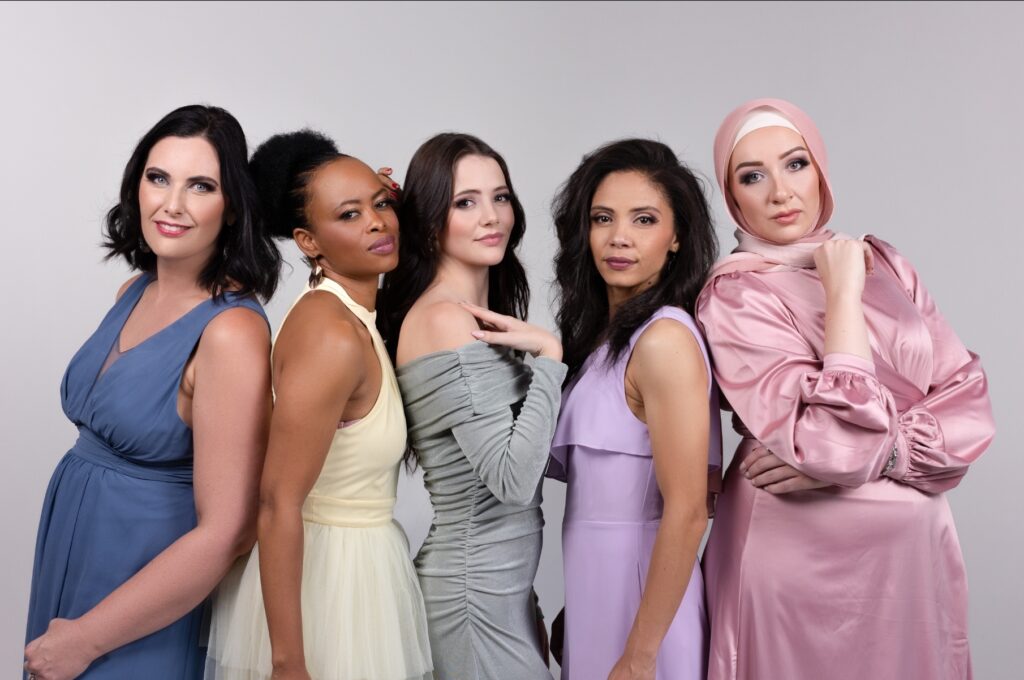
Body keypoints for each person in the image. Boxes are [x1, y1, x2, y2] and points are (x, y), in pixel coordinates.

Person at [696, 98, 995, 679]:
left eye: (796, 164)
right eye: (752, 177)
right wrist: (840, 295)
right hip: (793, 560)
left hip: (909, 563)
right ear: (732, 196)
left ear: (820, 169)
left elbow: (968, 403)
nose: (781, 192)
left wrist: (879, 453)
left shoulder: (884, 263)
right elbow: (832, 437)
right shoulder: (734, 296)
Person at [24, 104, 280, 679]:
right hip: (72, 559)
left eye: (201, 186)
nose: (172, 204)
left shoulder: (230, 332)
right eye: (158, 177)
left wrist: (88, 637)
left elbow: (229, 531)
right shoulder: (133, 291)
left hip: (140, 595)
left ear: (232, 207)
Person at [204, 130, 432, 680]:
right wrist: (289, 663)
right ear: (308, 241)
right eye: (349, 215)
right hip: (328, 587)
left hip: (360, 575)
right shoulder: (330, 333)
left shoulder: (355, 317)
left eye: (381, 204)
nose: (377, 223)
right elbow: (277, 501)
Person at [378, 132, 566, 679]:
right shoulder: (444, 320)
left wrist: (526, 602)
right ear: (430, 221)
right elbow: (512, 481)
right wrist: (551, 358)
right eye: (466, 202)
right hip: (471, 596)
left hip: (500, 594)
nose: (491, 216)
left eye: (500, 197)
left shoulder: (473, 317)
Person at [547, 139, 721, 680]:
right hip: (599, 592)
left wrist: (641, 654)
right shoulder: (603, 339)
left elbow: (687, 511)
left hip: (645, 609)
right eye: (603, 218)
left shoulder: (664, 340)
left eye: (644, 219)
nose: (618, 237)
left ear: (677, 238)